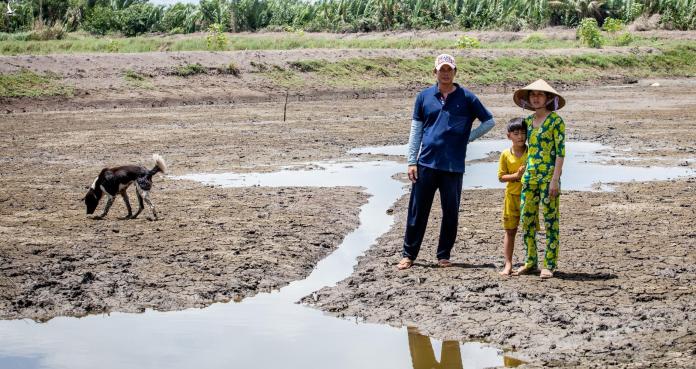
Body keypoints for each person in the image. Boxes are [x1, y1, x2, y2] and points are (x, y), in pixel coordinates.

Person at [397, 53, 495, 270]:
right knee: (417, 211)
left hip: (453, 166)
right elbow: (416, 131)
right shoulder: (424, 97)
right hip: (426, 164)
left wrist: (467, 137)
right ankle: (409, 254)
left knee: (450, 212)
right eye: (442, 69)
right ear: (435, 72)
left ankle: (443, 255)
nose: (445, 73)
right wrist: (411, 160)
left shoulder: (467, 98)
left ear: (455, 72)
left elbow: (489, 121)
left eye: (449, 69)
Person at [511, 79, 566, 279]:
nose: (535, 98)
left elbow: (560, 153)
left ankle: (549, 264)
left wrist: (555, 180)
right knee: (527, 220)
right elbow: (521, 146)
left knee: (550, 220)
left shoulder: (556, 121)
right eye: (532, 95)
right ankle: (530, 261)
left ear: (548, 98)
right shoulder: (527, 122)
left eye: (540, 94)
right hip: (530, 177)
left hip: (548, 177)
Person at [497, 118, 527, 276]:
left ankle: (530, 262)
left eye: (523, 133)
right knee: (510, 231)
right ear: (509, 136)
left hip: (528, 196)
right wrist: (517, 175)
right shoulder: (505, 155)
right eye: (516, 133)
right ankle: (508, 264)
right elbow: (501, 177)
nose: (520, 136)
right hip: (511, 197)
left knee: (529, 230)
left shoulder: (531, 152)